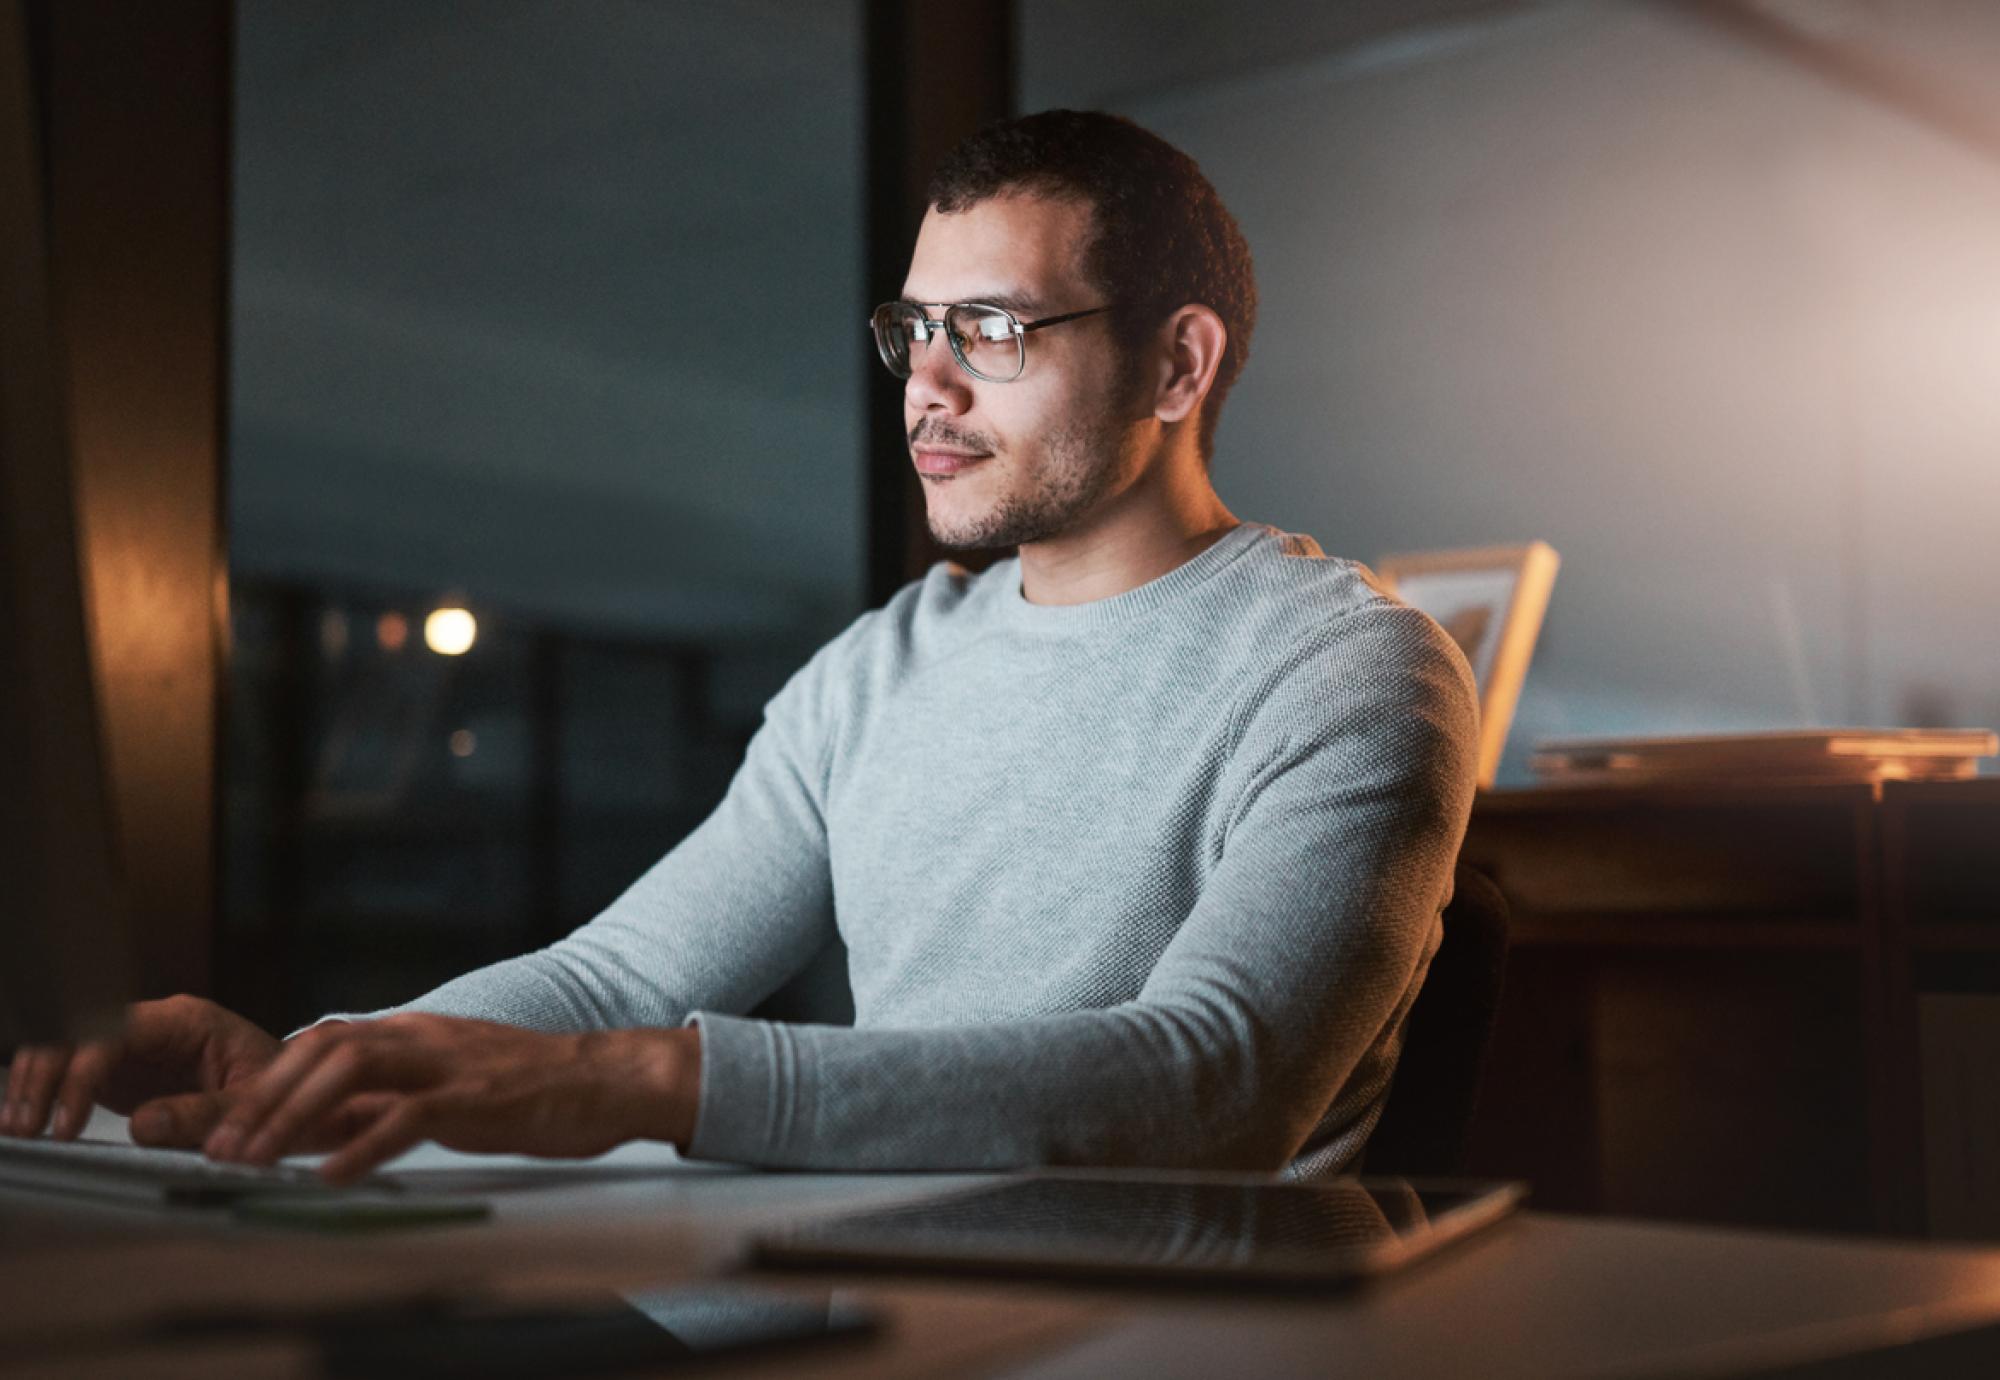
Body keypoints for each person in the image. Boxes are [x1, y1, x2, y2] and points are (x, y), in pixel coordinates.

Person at [1, 110, 1478, 1185]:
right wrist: (309, 1060)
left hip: (1186, 1339)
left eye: (997, 331)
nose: (929, 389)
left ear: (1179, 360)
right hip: (881, 1300)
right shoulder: (880, 668)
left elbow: (1215, 1081)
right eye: (914, 330)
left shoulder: (1354, 670)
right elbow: (618, 979)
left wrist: (654, 1087)